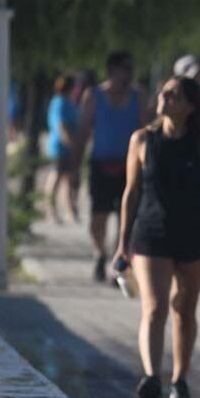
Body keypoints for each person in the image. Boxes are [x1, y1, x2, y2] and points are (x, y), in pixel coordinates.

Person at [113, 77, 200, 398]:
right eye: (163, 92)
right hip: (150, 234)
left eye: (173, 94)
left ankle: (180, 381)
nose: (164, 97)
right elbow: (131, 192)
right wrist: (122, 242)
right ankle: (152, 378)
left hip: (194, 235)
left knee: (184, 309)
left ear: (191, 106)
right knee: (154, 307)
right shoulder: (142, 140)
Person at [76, 51, 148, 283]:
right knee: (98, 219)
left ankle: (121, 262)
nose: (128, 74)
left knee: (126, 218)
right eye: (124, 69)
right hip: (100, 165)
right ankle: (100, 253)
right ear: (112, 70)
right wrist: (75, 166)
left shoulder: (139, 97)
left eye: (130, 69)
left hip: (130, 167)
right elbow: (84, 131)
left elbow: (147, 131)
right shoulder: (94, 95)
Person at [44, 73, 80, 223]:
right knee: (56, 178)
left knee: (68, 179)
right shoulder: (59, 102)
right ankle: (50, 211)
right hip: (60, 147)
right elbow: (61, 126)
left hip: (68, 146)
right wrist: (71, 145)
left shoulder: (68, 102)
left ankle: (70, 210)